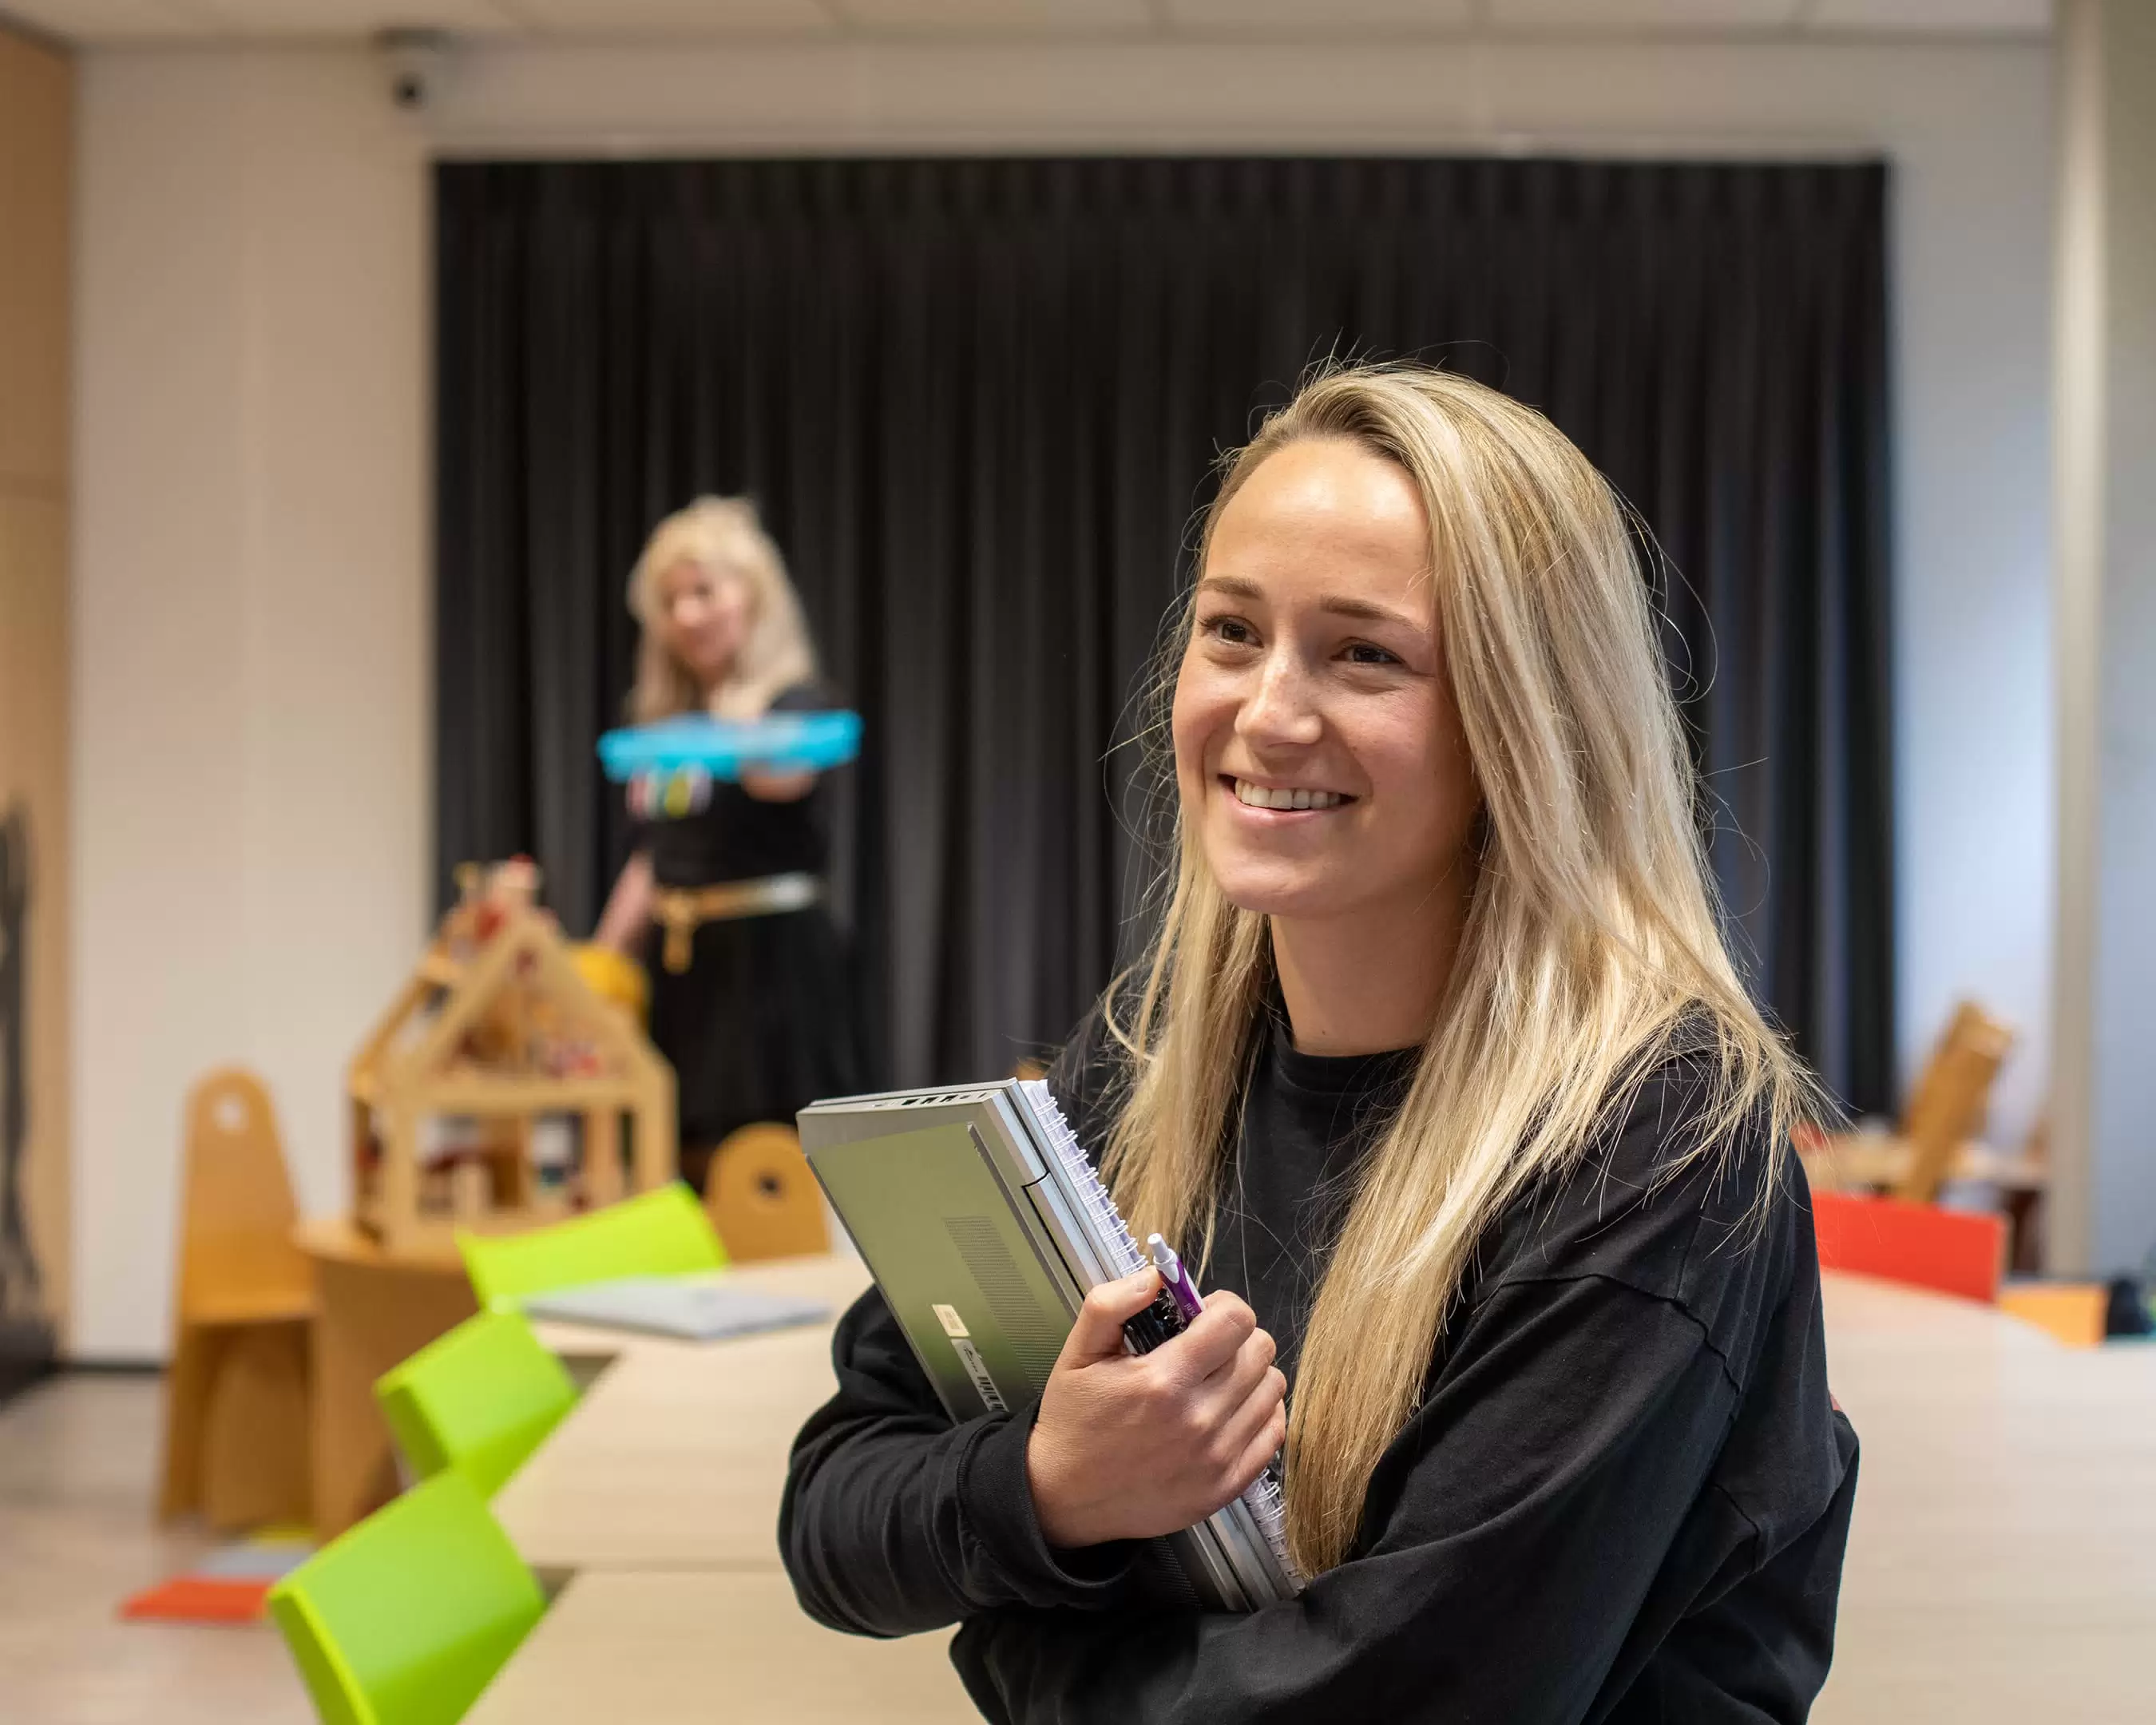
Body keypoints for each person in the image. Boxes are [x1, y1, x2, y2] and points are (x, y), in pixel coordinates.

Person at [779, 365, 1858, 1723]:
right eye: (1233, 631)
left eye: (1367, 655)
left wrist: (1019, 1646)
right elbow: (832, 1511)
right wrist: (1053, 1487)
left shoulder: (1659, 1147)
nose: (1270, 713)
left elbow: (1408, 1703)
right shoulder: (1145, 1072)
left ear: (1526, 723)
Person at [595, 497, 860, 1196]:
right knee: (680, 1158)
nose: (685, 615)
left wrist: (703, 742)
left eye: (703, 592)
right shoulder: (660, 723)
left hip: (773, 971)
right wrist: (597, 966)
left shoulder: (795, 704)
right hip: (685, 969)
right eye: (671, 599)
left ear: (754, 598)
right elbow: (654, 857)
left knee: (772, 1168)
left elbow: (784, 775)